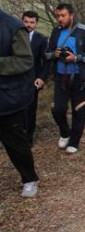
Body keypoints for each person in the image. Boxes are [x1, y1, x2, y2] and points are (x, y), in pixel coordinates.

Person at [45, 3, 85, 154]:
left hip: (80, 79)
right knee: (58, 110)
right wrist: (54, 54)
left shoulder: (83, 30)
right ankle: (65, 132)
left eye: (63, 15)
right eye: (58, 16)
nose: (60, 19)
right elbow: (47, 53)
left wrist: (76, 58)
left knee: (79, 111)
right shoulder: (55, 32)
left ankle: (74, 142)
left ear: (71, 15)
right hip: (61, 77)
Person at [0, 9, 40, 197]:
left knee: (16, 144)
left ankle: (29, 179)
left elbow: (25, 61)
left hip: (7, 99)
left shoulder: (14, 27)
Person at [21, 11, 49, 145]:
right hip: (15, 80)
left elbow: (46, 61)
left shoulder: (41, 39)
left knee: (30, 110)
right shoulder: (14, 36)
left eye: (32, 22)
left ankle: (28, 139)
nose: (29, 25)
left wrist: (42, 78)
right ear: (22, 21)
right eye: (26, 22)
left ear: (36, 23)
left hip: (33, 80)